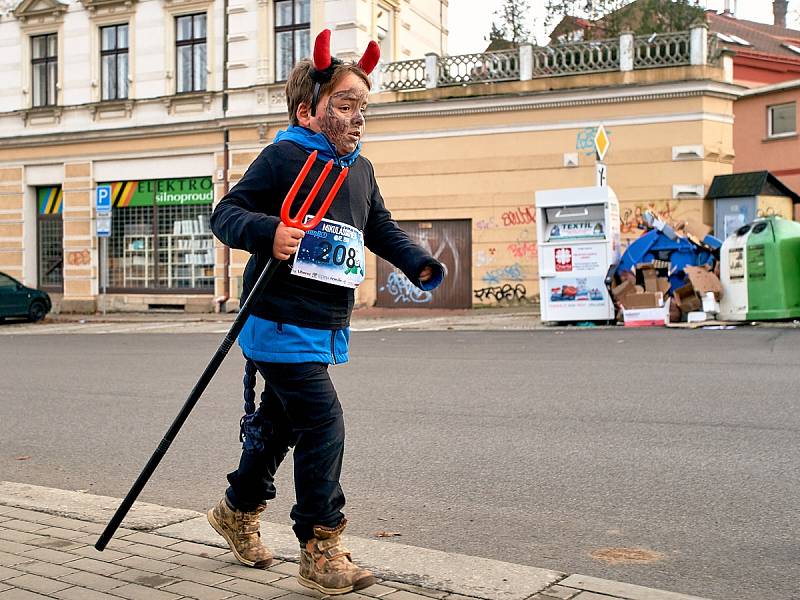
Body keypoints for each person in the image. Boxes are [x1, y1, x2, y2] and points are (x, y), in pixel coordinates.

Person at [206, 29, 445, 595]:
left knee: (277, 426)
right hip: (277, 319)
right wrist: (270, 232)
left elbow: (378, 226)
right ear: (308, 111)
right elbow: (225, 213)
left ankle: (236, 511)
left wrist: (416, 262)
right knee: (323, 420)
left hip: (324, 322)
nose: (357, 118)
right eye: (344, 105)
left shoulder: (359, 169)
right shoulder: (283, 156)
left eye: (363, 107)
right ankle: (320, 545)